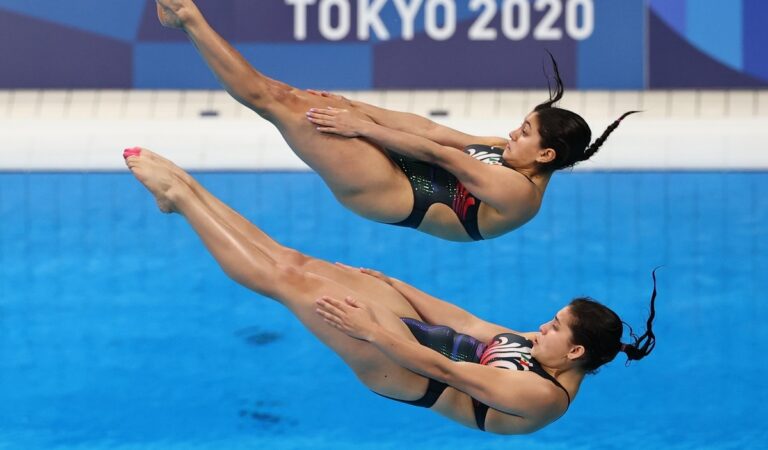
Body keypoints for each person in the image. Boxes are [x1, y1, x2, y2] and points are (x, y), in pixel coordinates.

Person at [123, 147, 657, 434]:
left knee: (285, 283)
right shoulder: (546, 353)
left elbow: (444, 370)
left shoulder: (540, 396)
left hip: (404, 370)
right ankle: (189, 193)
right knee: (299, 263)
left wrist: (374, 329)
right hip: (423, 335)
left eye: (555, 328)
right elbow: (469, 326)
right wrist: (394, 284)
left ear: (576, 352)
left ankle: (182, 197)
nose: (543, 326)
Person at [154, 0, 638, 242]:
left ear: (546, 156)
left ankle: (188, 18)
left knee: (272, 100)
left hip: (391, 193)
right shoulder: (502, 149)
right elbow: (431, 131)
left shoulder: (519, 195)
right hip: (404, 165)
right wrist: (356, 106)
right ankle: (185, 19)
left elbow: (439, 154)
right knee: (291, 97)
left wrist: (359, 127)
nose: (513, 133)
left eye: (526, 133)